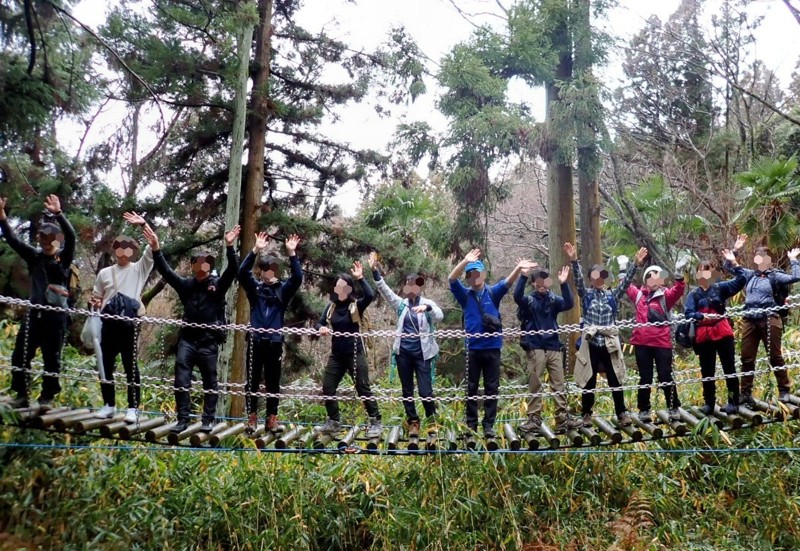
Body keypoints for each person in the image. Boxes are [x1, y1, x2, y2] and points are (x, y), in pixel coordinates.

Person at [142, 224, 240, 433]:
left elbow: (232, 271)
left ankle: (208, 420)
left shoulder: (217, 287)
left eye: (204, 266)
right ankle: (182, 420)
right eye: (197, 266)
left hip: (208, 340)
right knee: (181, 378)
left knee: (210, 381)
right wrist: (156, 249)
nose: (200, 270)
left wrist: (230, 246)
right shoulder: (186, 286)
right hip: (187, 339)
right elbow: (167, 273)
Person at [0, 195, 75, 408]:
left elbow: (71, 236)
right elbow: (13, 240)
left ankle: (47, 398)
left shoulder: (64, 258)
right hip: (33, 315)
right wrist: (3, 218)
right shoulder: (35, 257)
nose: (45, 241)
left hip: (56, 318)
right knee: (20, 355)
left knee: (52, 360)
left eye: (50, 238)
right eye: (42, 237)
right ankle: (22, 395)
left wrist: (58, 214)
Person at [449, 248, 533, 438]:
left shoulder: (492, 293)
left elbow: (507, 284)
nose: (475, 277)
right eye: (471, 274)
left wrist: (519, 269)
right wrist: (464, 262)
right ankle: (471, 425)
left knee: (491, 387)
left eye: (478, 273)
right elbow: (451, 280)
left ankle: (488, 425)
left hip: (493, 347)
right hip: (473, 348)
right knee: (471, 387)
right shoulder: (465, 295)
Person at [569, 243, 648, 427]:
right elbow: (578, 282)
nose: (599, 279)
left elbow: (626, 282)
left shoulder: (612, 295)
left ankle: (621, 413)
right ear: (590, 279)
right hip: (592, 343)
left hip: (609, 342)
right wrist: (574, 260)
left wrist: (635, 264)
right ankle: (586, 414)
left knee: (615, 378)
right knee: (589, 379)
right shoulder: (586, 295)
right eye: (595, 276)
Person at [369, 252, 444, 436]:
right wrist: (375, 272)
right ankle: (413, 422)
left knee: (426, 391)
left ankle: (432, 422)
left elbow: (440, 316)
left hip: (423, 354)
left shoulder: (427, 304)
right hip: (403, 354)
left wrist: (427, 309)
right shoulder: (401, 304)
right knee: (407, 390)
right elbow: (385, 291)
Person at [92, 212, 155, 423]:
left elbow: (153, 245)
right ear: (114, 249)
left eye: (128, 248)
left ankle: (133, 408)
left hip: (129, 324)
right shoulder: (104, 273)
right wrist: (94, 306)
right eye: (120, 247)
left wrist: (144, 224)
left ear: (133, 251)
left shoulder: (139, 269)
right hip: (107, 324)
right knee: (105, 364)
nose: (123, 252)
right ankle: (108, 405)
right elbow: (96, 298)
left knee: (130, 366)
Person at [238, 231, 303, 432]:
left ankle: (271, 419)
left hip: (274, 343)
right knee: (253, 381)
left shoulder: (282, 290)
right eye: (265, 270)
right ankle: (251, 418)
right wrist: (256, 249)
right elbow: (242, 272)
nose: (268, 273)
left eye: (272, 270)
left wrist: (292, 254)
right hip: (256, 341)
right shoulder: (255, 289)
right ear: (261, 272)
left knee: (273, 382)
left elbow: (298, 278)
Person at [728, 234, 800, 404]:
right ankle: (745, 393)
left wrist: (793, 259)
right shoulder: (749, 275)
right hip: (750, 319)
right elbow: (729, 267)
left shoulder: (774, 276)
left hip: (770, 318)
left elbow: (796, 277)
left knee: (775, 356)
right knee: (747, 357)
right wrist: (736, 250)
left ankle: (784, 390)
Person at [316, 261, 382, 437]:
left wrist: (360, 278)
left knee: (363, 388)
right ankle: (334, 421)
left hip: (355, 352)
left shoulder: (356, 306)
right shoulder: (331, 307)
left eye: (345, 287)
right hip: (337, 355)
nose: (341, 290)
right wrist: (320, 328)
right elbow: (319, 323)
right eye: (338, 287)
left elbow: (369, 296)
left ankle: (375, 421)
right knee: (328, 387)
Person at [514, 261, 582, 433]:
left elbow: (569, 304)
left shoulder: (553, 300)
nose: (542, 284)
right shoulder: (529, 300)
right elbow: (517, 297)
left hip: (553, 346)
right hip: (535, 346)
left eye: (545, 281)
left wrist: (564, 283)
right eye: (538, 281)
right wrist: (522, 276)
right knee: (535, 384)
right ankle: (534, 419)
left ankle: (562, 419)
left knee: (559, 384)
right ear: (534, 283)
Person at [684, 250, 746, 415]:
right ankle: (709, 403)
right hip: (704, 336)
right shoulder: (693, 294)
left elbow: (741, 280)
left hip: (722, 332)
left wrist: (734, 262)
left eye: (708, 270)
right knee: (707, 370)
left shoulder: (721, 288)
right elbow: (688, 313)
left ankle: (733, 401)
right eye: (701, 270)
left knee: (729, 367)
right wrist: (699, 316)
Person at [626, 258, 687, 423]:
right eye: (650, 277)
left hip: (661, 342)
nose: (654, 280)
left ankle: (673, 407)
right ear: (645, 280)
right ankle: (644, 410)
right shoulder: (638, 295)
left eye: (657, 277)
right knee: (645, 377)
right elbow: (624, 285)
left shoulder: (665, 296)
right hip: (641, 343)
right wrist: (630, 266)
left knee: (665, 375)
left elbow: (679, 290)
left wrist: (679, 276)